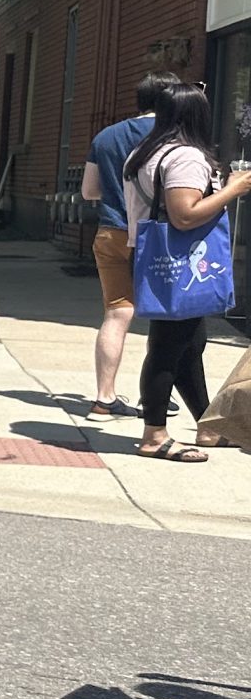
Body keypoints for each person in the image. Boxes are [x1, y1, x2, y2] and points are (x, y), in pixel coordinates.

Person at [121, 80, 251, 462]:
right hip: (178, 263)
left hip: (153, 258)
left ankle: (208, 426)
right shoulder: (185, 157)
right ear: (198, 115)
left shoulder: (144, 153)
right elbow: (184, 215)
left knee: (190, 347)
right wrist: (233, 188)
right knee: (167, 348)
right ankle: (154, 435)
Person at [81, 74, 172, 419]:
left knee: (117, 313)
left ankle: (104, 398)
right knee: (168, 318)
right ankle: (158, 391)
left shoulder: (106, 136)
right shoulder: (171, 137)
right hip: (155, 237)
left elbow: (89, 191)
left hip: (110, 231)